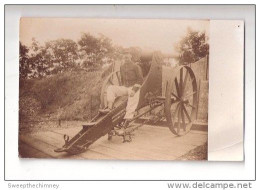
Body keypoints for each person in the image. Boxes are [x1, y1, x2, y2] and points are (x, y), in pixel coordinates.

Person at [100, 52, 144, 123]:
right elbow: (122, 80)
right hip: (125, 88)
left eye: (127, 57)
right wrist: (122, 88)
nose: (126, 59)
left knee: (132, 99)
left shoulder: (135, 67)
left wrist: (134, 90)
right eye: (125, 57)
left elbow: (140, 80)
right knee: (111, 88)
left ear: (130, 56)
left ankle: (128, 119)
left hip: (133, 88)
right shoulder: (122, 67)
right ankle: (109, 108)